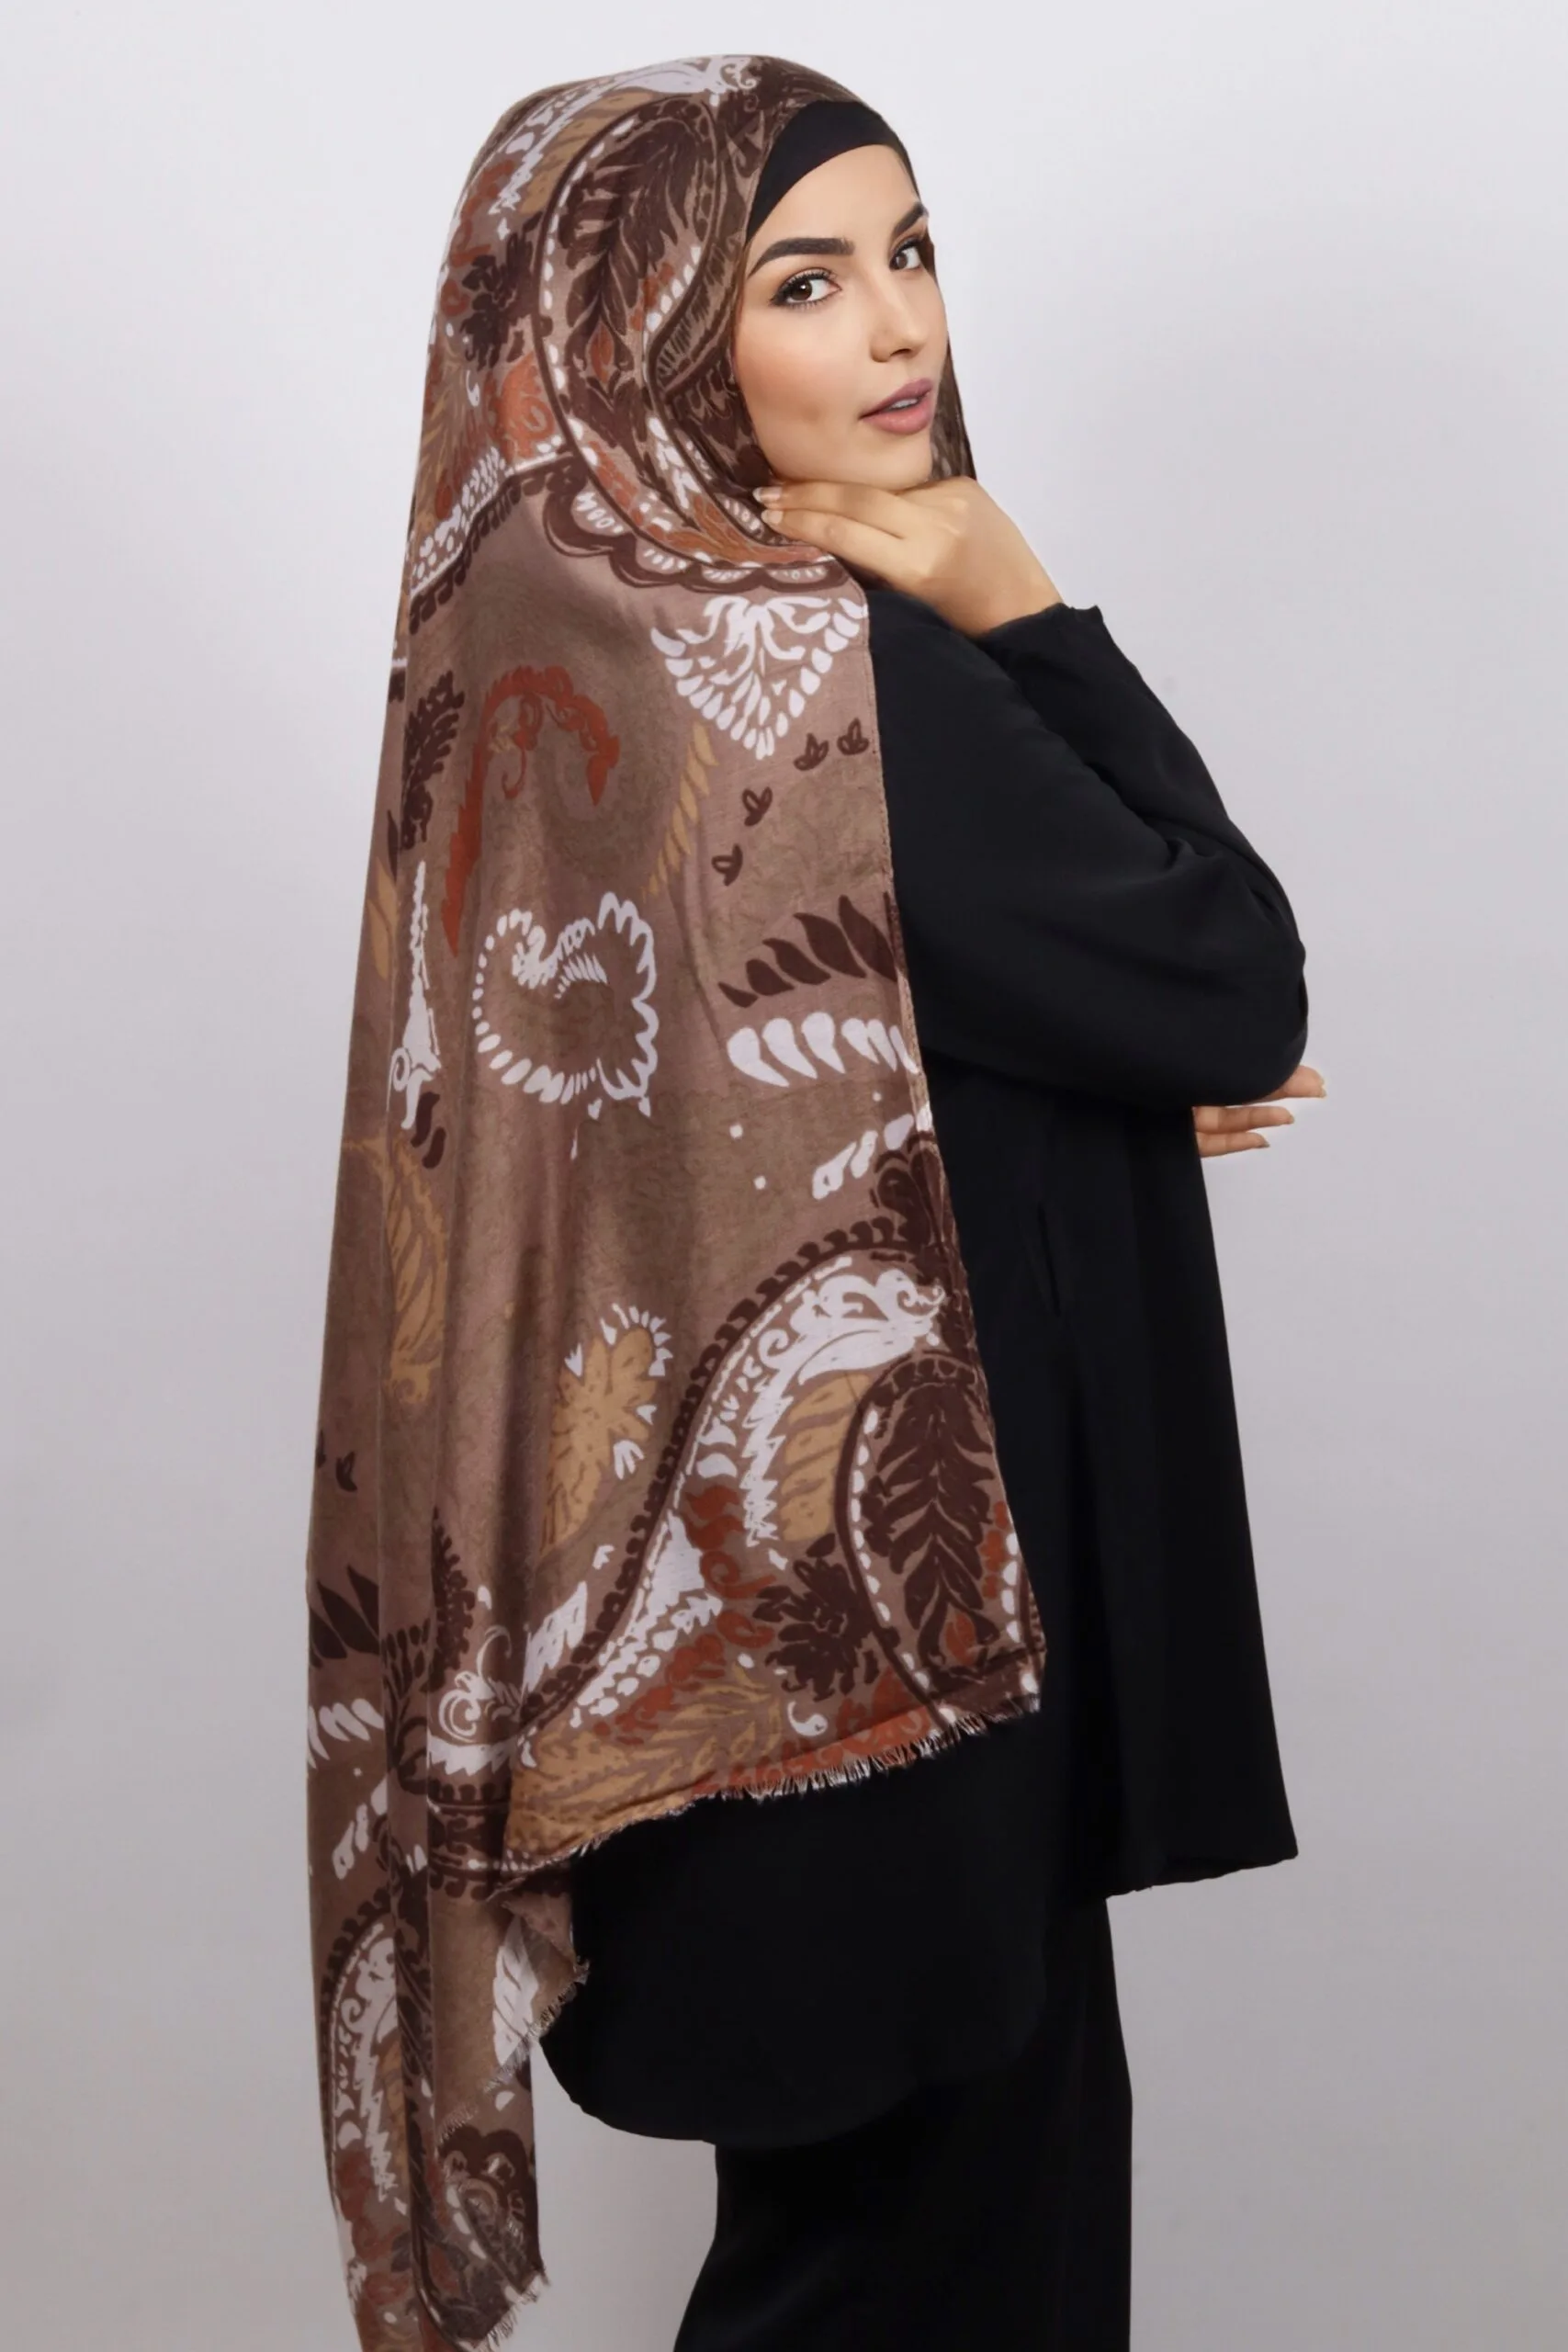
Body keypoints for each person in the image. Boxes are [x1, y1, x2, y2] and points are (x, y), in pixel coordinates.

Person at [304, 58, 1320, 2352]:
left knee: (878, 2256)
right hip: (905, 1647)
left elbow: (661, 1084)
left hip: (722, 1631)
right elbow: (1229, 976)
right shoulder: (829, 672)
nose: (899, 328)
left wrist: (1007, 1095)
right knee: (945, 2269)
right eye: (802, 279)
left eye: (913, 251)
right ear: (643, 322)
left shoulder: (560, 623)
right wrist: (1023, 601)